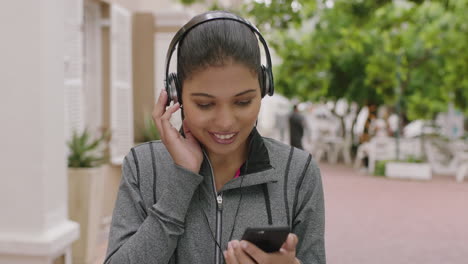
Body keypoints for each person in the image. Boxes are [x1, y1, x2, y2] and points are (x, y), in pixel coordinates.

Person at [104, 11, 325, 264]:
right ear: (176, 95)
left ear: (264, 88)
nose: (225, 122)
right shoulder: (144, 166)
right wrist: (182, 182)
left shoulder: (298, 173)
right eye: (205, 104)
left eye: (243, 102)